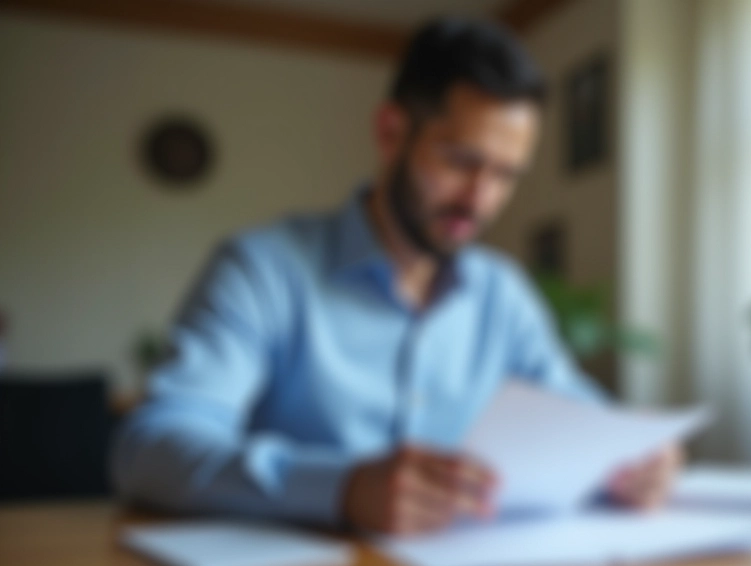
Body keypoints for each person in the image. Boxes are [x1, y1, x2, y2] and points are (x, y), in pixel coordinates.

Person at [113, 16, 681, 536]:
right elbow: (151, 449)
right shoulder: (262, 269)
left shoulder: (502, 294)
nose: (480, 200)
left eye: (506, 175)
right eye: (460, 161)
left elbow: (586, 422)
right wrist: (341, 487)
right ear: (390, 133)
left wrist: (638, 458)